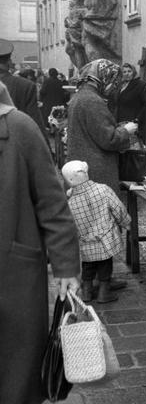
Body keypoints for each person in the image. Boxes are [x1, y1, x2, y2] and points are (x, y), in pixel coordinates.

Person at [0, 80, 80, 404]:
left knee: (16, 375)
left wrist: (66, 267)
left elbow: (53, 203)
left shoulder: (19, 128)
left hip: (12, 276)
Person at [62, 160, 131, 303]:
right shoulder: (103, 190)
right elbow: (118, 208)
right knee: (105, 265)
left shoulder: (70, 202)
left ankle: (86, 292)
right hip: (105, 239)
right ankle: (103, 293)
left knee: (87, 266)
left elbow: (68, 225)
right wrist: (126, 222)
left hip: (85, 242)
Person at [67, 58, 138, 193]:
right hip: (95, 169)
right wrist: (126, 130)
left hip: (82, 165)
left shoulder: (80, 96)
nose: (114, 87)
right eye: (114, 81)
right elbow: (108, 139)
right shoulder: (93, 100)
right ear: (105, 77)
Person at [0, 39, 46, 137]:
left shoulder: (25, 86)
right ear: (9, 62)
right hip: (15, 145)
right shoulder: (25, 86)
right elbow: (35, 125)